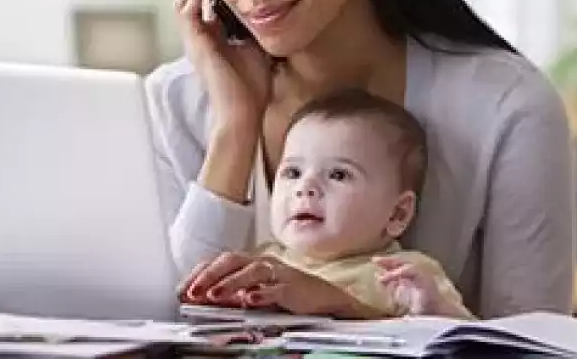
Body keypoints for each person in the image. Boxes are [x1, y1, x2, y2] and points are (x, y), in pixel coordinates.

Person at [147, 0, 575, 319]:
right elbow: (161, 326)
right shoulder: (180, 101)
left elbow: (533, 348)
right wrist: (235, 128)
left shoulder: (505, 108)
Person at [181, 88, 473, 319]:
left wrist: (432, 310)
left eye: (338, 174)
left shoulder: (401, 274)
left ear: (398, 213)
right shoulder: (261, 262)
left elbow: (471, 341)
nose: (305, 188)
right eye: (292, 173)